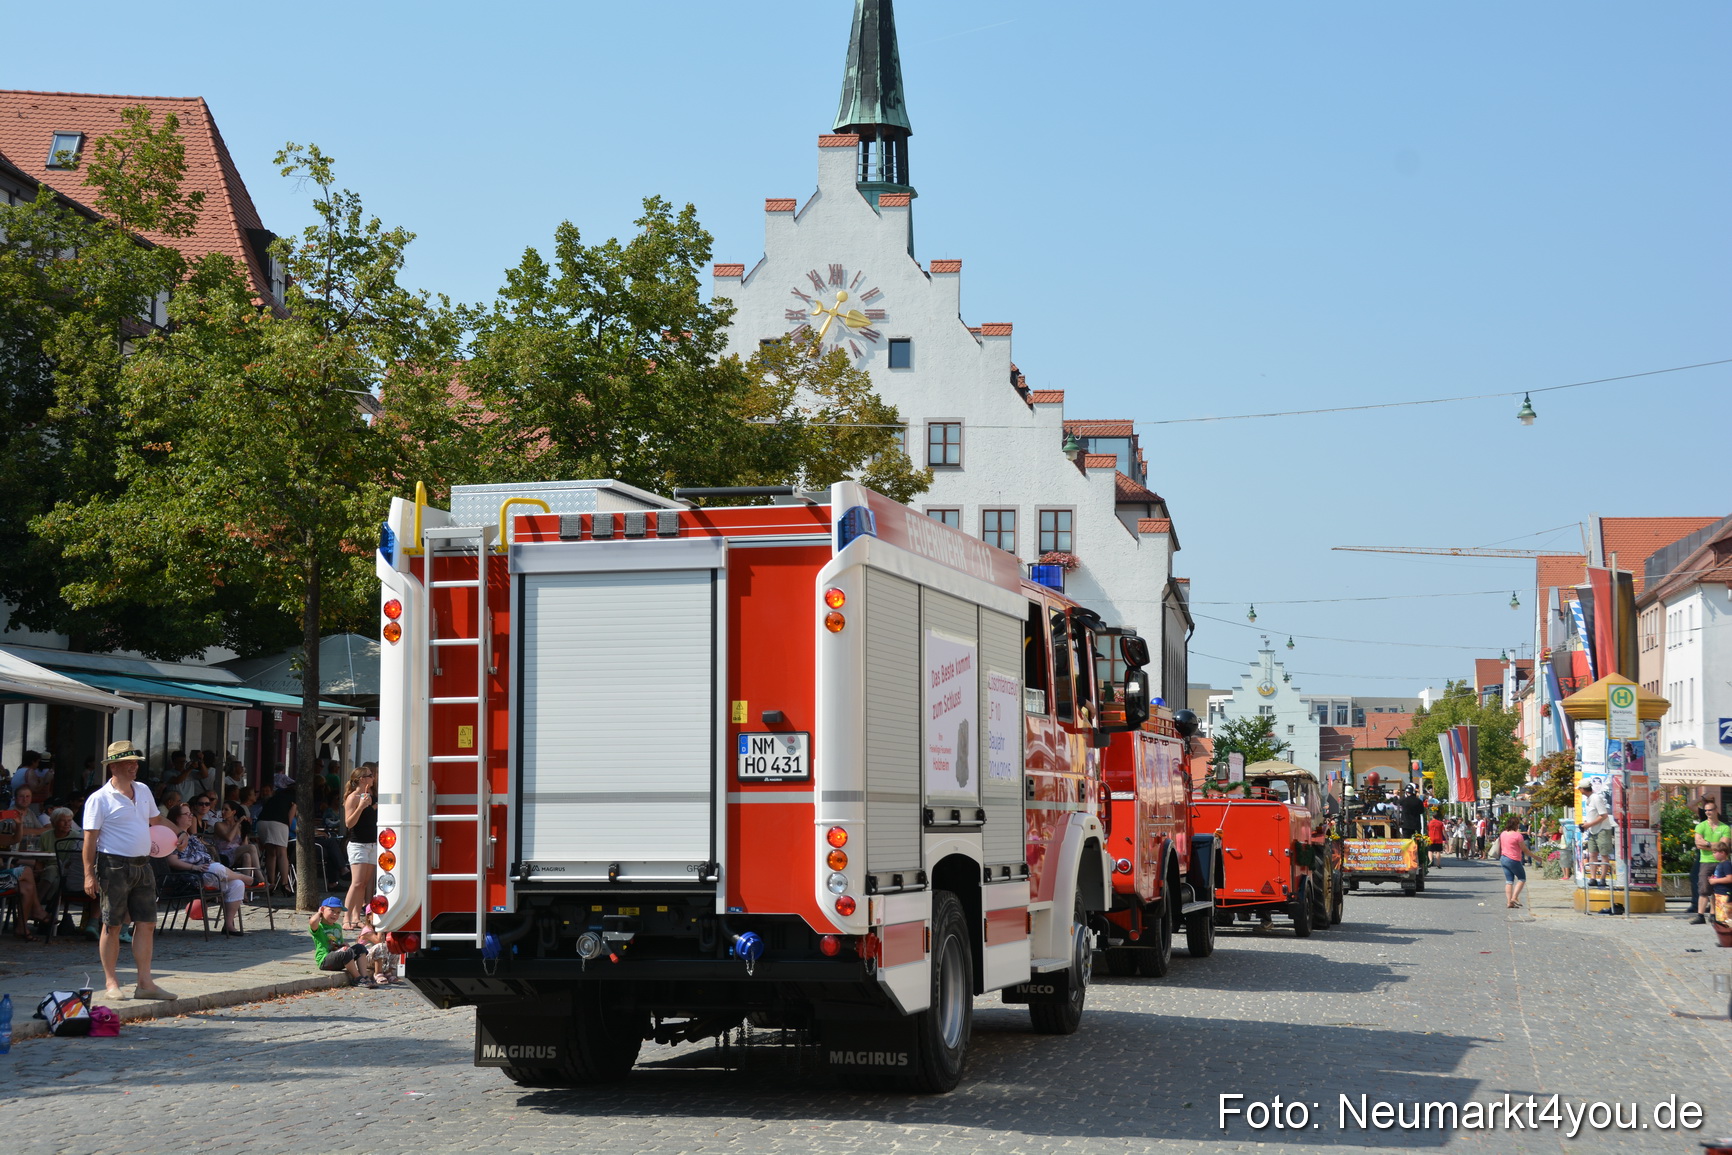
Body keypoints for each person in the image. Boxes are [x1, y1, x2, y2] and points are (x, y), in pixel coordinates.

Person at [82, 740, 178, 1000]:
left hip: (142, 864)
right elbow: (90, 839)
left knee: (146, 923)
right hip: (113, 865)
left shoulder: (144, 790)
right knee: (111, 924)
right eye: (128, 762)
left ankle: (145, 983)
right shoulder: (99, 799)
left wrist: (178, 832)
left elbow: (155, 820)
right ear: (113, 766)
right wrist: (89, 874)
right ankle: (111, 982)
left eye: (136, 761)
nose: (134, 766)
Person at [162, 803, 248, 936]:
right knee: (217, 869)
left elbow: (208, 859)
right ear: (176, 818)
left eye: (191, 813)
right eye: (187, 814)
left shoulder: (194, 838)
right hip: (188, 876)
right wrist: (194, 867)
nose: (191, 816)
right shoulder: (171, 837)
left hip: (206, 872)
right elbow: (172, 861)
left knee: (237, 884)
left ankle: (228, 925)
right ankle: (243, 876)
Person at [342, 764, 379, 931]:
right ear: (362, 779)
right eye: (370, 775)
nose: (373, 777)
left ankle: (357, 917)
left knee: (364, 883)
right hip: (358, 844)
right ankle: (346, 917)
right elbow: (349, 823)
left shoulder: (370, 795)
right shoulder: (353, 797)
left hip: (372, 843)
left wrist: (371, 807)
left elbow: (368, 819)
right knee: (356, 883)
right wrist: (361, 806)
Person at [310, 895, 378, 986]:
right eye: (332, 910)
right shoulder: (319, 927)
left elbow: (339, 944)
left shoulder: (337, 927)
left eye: (338, 912)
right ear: (322, 910)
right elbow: (312, 922)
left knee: (360, 947)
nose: (335, 914)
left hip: (339, 958)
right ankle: (357, 978)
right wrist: (319, 913)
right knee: (346, 950)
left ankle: (364, 976)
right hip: (325, 961)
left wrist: (342, 944)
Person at [1689, 800, 1730, 925]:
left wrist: (1706, 843)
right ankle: (1700, 915)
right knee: (1703, 889)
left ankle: (1713, 915)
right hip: (1706, 861)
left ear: (1716, 810)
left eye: (1710, 810)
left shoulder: (1725, 827)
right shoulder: (1701, 826)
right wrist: (1713, 845)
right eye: (1706, 810)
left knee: (1717, 890)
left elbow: (1724, 845)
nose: (1708, 812)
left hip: (1721, 862)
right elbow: (1698, 844)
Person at [256, 782, 297, 895]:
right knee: (282, 853)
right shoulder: (294, 799)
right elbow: (289, 818)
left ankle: (271, 883)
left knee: (271, 854)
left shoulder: (275, 797)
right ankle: (285, 884)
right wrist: (286, 832)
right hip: (279, 823)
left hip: (262, 822)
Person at [1577, 779, 1616, 889]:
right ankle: (1593, 878)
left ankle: (1603, 878)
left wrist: (1588, 825)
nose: (1579, 790)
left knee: (1604, 855)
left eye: (1580, 788)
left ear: (1584, 789)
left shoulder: (1596, 798)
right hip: (1592, 830)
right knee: (1592, 854)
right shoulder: (1589, 799)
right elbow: (1592, 815)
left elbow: (1603, 815)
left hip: (1602, 830)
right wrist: (1586, 823)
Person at [1497, 814, 1531, 909]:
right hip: (1513, 859)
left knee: (1509, 881)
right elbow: (1524, 849)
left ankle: (1509, 902)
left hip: (1503, 859)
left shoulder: (1503, 833)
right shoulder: (1517, 835)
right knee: (1521, 878)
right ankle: (1514, 897)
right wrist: (1535, 857)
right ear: (1516, 825)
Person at [1707, 841, 1731, 926]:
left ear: (1722, 853)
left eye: (1714, 852)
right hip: (1719, 893)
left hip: (1724, 894)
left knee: (1725, 919)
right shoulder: (1720, 864)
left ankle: (1727, 936)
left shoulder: (1726, 864)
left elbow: (1729, 878)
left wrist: (1715, 881)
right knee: (1721, 918)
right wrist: (1714, 878)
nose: (1713, 854)